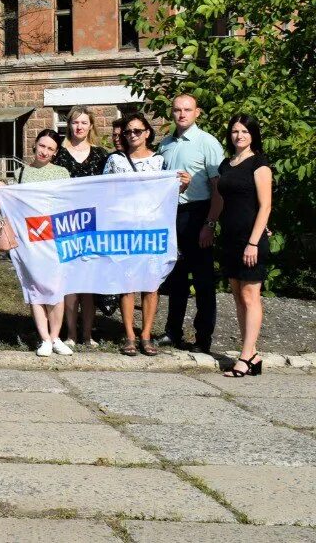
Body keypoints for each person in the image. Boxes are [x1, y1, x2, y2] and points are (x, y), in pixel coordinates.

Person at [157, 93, 225, 352]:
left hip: (198, 213)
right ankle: (172, 331)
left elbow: (218, 189)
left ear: (197, 112)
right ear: (171, 113)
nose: (182, 114)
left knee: (203, 280)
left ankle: (203, 338)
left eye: (187, 109)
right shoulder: (165, 144)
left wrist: (210, 223)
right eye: (177, 110)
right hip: (171, 214)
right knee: (176, 278)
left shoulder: (207, 143)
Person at [206, 115, 271, 377]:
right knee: (237, 295)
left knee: (250, 296)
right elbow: (220, 200)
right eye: (234, 131)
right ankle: (251, 353)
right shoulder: (227, 164)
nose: (239, 136)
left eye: (244, 131)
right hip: (230, 238)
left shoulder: (260, 164)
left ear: (253, 134)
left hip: (250, 239)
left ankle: (246, 357)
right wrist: (210, 223)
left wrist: (253, 242)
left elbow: (265, 206)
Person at [102, 114, 166, 355]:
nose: (132, 136)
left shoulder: (160, 161)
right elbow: (103, 191)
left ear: (148, 132)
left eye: (137, 131)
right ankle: (129, 335)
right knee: (127, 283)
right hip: (123, 227)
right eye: (128, 132)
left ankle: (146, 334)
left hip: (151, 229)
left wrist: (183, 184)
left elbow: (169, 194)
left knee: (150, 284)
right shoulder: (115, 160)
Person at [55, 106, 109, 349]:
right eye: (75, 122)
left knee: (88, 282)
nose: (79, 127)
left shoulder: (101, 155)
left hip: (93, 225)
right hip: (66, 223)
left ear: (91, 126)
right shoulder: (59, 154)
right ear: (70, 126)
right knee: (69, 284)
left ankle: (88, 334)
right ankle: (71, 334)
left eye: (84, 123)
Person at [16, 129, 73, 357]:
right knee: (35, 289)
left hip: (55, 237)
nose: (44, 151)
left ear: (56, 152)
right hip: (31, 240)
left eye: (50, 148)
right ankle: (44, 339)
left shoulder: (62, 173)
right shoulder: (21, 173)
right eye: (42, 146)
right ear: (35, 145)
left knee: (56, 289)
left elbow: (68, 203)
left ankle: (57, 336)